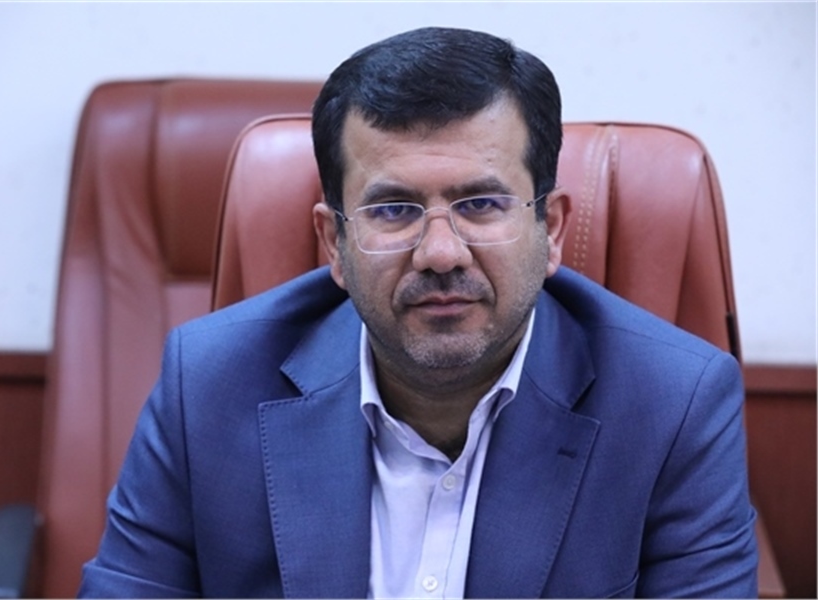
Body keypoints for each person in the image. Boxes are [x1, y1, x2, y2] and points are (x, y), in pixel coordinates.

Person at [78, 27, 758, 598]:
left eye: (481, 204)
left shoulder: (674, 404)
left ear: (550, 230)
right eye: (393, 209)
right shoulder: (207, 382)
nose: (439, 252)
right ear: (334, 244)